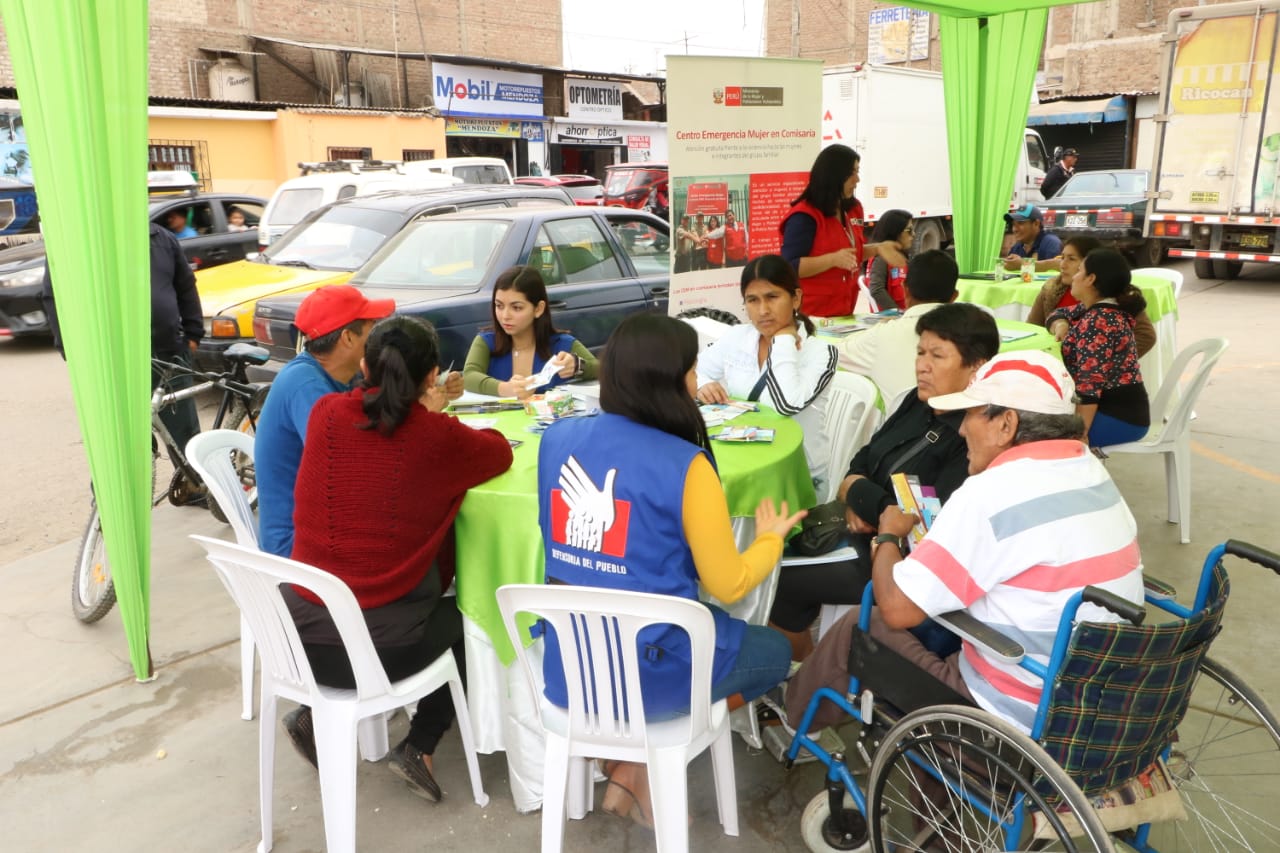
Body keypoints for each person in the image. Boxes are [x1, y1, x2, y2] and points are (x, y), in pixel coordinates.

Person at [785, 350, 1144, 736]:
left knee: (866, 620)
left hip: (1015, 712)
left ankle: (796, 720)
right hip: (1097, 700)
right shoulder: (1091, 470)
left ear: (1006, 424)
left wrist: (888, 536)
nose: (961, 430)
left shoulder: (990, 492)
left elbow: (897, 609)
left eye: (971, 414)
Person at [537, 312, 802, 827]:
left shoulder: (555, 438)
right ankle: (641, 760)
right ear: (669, 380)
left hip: (570, 667)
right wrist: (770, 540)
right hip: (654, 669)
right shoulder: (687, 464)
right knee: (774, 650)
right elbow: (728, 585)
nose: (695, 380)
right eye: (691, 369)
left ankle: (628, 760)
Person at [284, 316, 514, 800]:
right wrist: (432, 414)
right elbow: (497, 453)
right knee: (469, 619)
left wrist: (424, 413)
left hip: (297, 641)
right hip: (374, 650)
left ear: (364, 364)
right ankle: (420, 746)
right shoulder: (433, 437)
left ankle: (313, 711)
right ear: (432, 376)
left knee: (386, 588)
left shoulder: (326, 412)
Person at [769, 302, 999, 661]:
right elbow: (859, 463)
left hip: (893, 558)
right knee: (772, 539)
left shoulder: (973, 433)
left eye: (938, 356)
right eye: (921, 352)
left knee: (775, 578)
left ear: (976, 367)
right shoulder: (916, 401)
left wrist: (866, 500)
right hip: (854, 526)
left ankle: (805, 677)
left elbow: (919, 519)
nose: (922, 365)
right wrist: (868, 499)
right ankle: (812, 668)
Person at [256, 285, 397, 557]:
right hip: (296, 546)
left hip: (319, 527)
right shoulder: (306, 386)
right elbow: (347, 469)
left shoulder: (336, 375)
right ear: (347, 338)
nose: (377, 333)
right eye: (371, 326)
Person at [694, 254, 838, 490]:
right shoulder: (737, 337)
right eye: (752, 300)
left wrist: (782, 342)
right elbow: (695, 369)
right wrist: (702, 385)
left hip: (796, 472)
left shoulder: (821, 353)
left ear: (796, 298)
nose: (762, 310)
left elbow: (787, 405)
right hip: (742, 463)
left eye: (772, 297)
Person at [1048, 248, 1151, 446]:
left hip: (1117, 417)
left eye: (1079, 271)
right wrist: (1061, 323)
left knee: (1037, 435)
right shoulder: (1101, 307)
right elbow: (1058, 313)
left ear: (1090, 279)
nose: (1075, 276)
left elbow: (1089, 386)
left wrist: (1079, 435)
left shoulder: (1098, 321)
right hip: (1120, 411)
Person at [837, 249, 960, 412]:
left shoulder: (881, 336)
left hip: (902, 432)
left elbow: (838, 352)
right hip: (959, 432)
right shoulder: (975, 334)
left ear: (905, 290)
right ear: (954, 297)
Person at [780, 144, 887, 318]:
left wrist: (878, 248)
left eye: (858, 172)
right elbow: (789, 267)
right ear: (835, 176)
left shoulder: (853, 209)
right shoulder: (804, 216)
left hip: (844, 312)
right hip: (812, 316)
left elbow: (851, 254)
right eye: (853, 173)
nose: (857, 180)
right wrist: (832, 260)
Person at [462, 265, 598, 398]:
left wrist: (578, 365)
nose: (505, 316)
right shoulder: (486, 341)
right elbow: (469, 375)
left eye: (516, 308)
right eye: (499, 306)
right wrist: (505, 388)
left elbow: (603, 370)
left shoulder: (562, 344)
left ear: (538, 309)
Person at [1027, 235, 1157, 358]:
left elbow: (1146, 336)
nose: (1062, 265)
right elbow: (1032, 328)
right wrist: (1059, 324)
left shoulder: (1113, 298)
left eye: (1071, 259)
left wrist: (1110, 359)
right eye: (1062, 257)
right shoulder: (1051, 289)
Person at [863, 209, 914, 312]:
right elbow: (876, 289)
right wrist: (898, 313)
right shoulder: (881, 257)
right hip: (891, 319)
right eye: (909, 231)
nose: (914, 234)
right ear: (895, 232)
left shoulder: (899, 256)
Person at [1001, 204, 1062, 272]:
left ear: (1036, 224)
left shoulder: (1051, 243)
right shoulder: (1017, 247)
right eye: (1013, 224)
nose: (1015, 229)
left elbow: (1059, 267)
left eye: (1020, 223)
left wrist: (1022, 264)